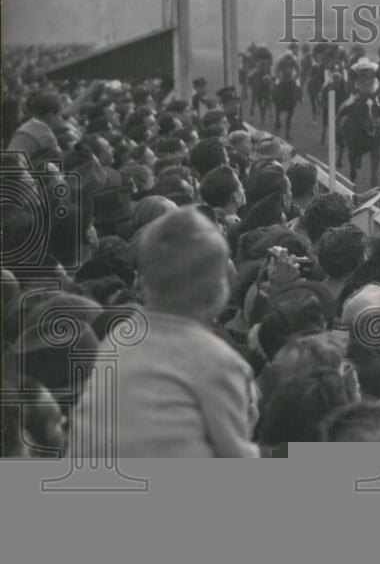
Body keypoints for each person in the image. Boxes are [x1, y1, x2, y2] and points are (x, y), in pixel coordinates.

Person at [72, 207, 259, 457]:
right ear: (216, 292)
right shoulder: (219, 362)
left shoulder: (117, 338)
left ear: (142, 282)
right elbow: (237, 457)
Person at [7, 91, 62, 168]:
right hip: (24, 176)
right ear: (50, 116)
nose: (61, 118)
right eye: (60, 114)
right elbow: (59, 162)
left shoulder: (27, 126)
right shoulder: (46, 136)